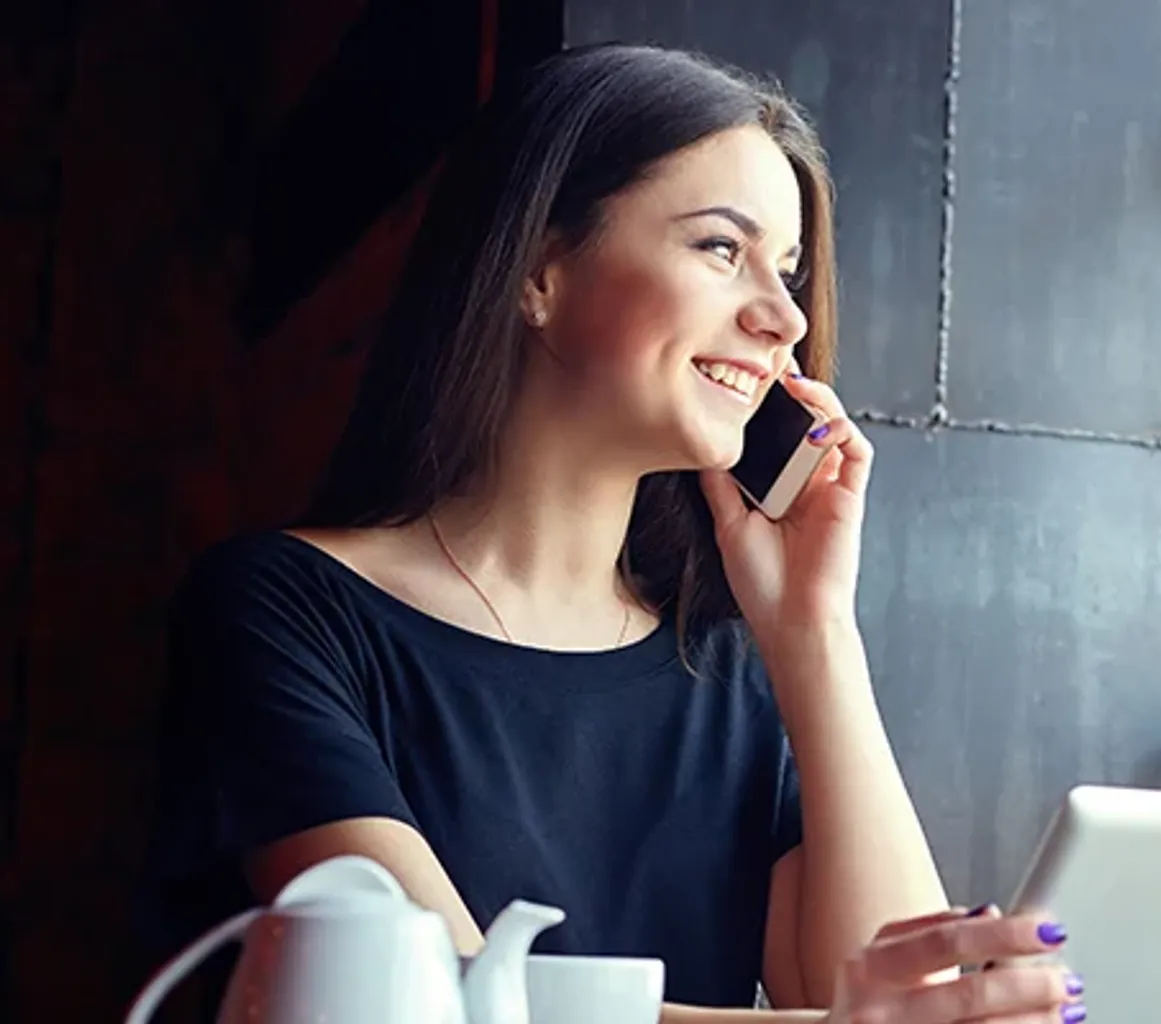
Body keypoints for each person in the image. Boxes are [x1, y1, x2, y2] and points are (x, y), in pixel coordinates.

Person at [144, 43, 1085, 1024]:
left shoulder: (733, 667)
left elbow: (913, 997)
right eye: (722, 248)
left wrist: (816, 633)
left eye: (790, 272)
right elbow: (446, 1001)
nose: (780, 319)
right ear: (538, 270)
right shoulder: (279, 609)